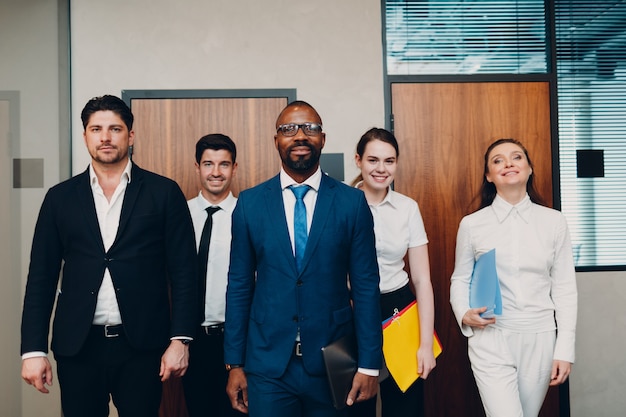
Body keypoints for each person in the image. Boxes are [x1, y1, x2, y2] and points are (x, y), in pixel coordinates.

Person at [20, 95, 198, 417]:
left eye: (115, 129)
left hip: (143, 347)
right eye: (96, 129)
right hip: (78, 347)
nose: (105, 137)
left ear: (130, 136)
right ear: (86, 135)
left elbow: (185, 273)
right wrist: (33, 349)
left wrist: (181, 339)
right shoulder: (60, 198)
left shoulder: (164, 193)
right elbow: (41, 277)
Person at [224, 100, 382, 417]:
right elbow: (239, 285)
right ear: (276, 141)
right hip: (268, 366)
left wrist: (370, 364)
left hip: (334, 361)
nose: (299, 135)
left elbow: (365, 287)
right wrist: (235, 363)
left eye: (309, 128)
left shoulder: (352, 204)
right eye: (288, 129)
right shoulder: (250, 204)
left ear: (322, 139)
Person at [449, 138, 578, 417]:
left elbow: (565, 288)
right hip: (490, 337)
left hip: (540, 336)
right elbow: (460, 278)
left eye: (516, 157)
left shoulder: (554, 222)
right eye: (498, 160)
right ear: (489, 176)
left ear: (529, 168)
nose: (508, 163)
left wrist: (564, 349)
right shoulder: (472, 224)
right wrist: (463, 313)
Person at [347, 128, 436, 417]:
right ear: (358, 160)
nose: (381, 169)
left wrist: (424, 344)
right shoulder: (340, 204)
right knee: (355, 402)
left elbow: (423, 280)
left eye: (389, 161)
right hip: (352, 307)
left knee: (405, 406)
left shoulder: (407, 208)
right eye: (373, 160)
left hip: (399, 308)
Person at [182, 133, 244, 417]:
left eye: (224, 164)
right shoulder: (180, 214)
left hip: (236, 338)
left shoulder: (247, 214)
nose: (216, 172)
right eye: (208, 164)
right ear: (197, 167)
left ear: (234, 167)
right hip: (190, 339)